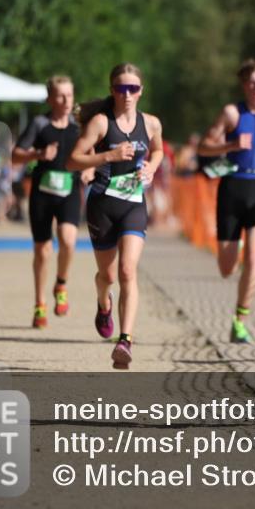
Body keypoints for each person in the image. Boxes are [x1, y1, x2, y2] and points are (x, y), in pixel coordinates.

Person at [68, 63, 164, 370]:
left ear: (141, 91)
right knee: (108, 276)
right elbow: (72, 160)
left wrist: (152, 166)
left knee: (127, 271)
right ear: (112, 90)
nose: (127, 94)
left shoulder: (150, 124)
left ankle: (125, 340)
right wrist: (107, 156)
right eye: (121, 88)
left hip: (134, 205)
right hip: (102, 204)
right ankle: (102, 302)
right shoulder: (100, 123)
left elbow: (159, 151)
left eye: (133, 88)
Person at [197, 59, 255, 343]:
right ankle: (234, 244)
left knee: (254, 258)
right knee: (227, 268)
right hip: (232, 188)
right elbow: (204, 146)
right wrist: (231, 145)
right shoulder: (231, 113)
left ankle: (240, 320)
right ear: (244, 86)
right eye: (251, 82)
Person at [13, 76, 94, 330]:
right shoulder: (39, 124)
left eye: (70, 95)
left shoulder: (79, 126)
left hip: (69, 189)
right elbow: (15, 156)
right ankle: (39, 305)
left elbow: (90, 154)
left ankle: (61, 283)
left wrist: (89, 170)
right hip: (42, 193)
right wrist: (37, 154)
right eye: (60, 96)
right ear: (50, 98)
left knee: (69, 241)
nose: (66, 101)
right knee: (43, 251)